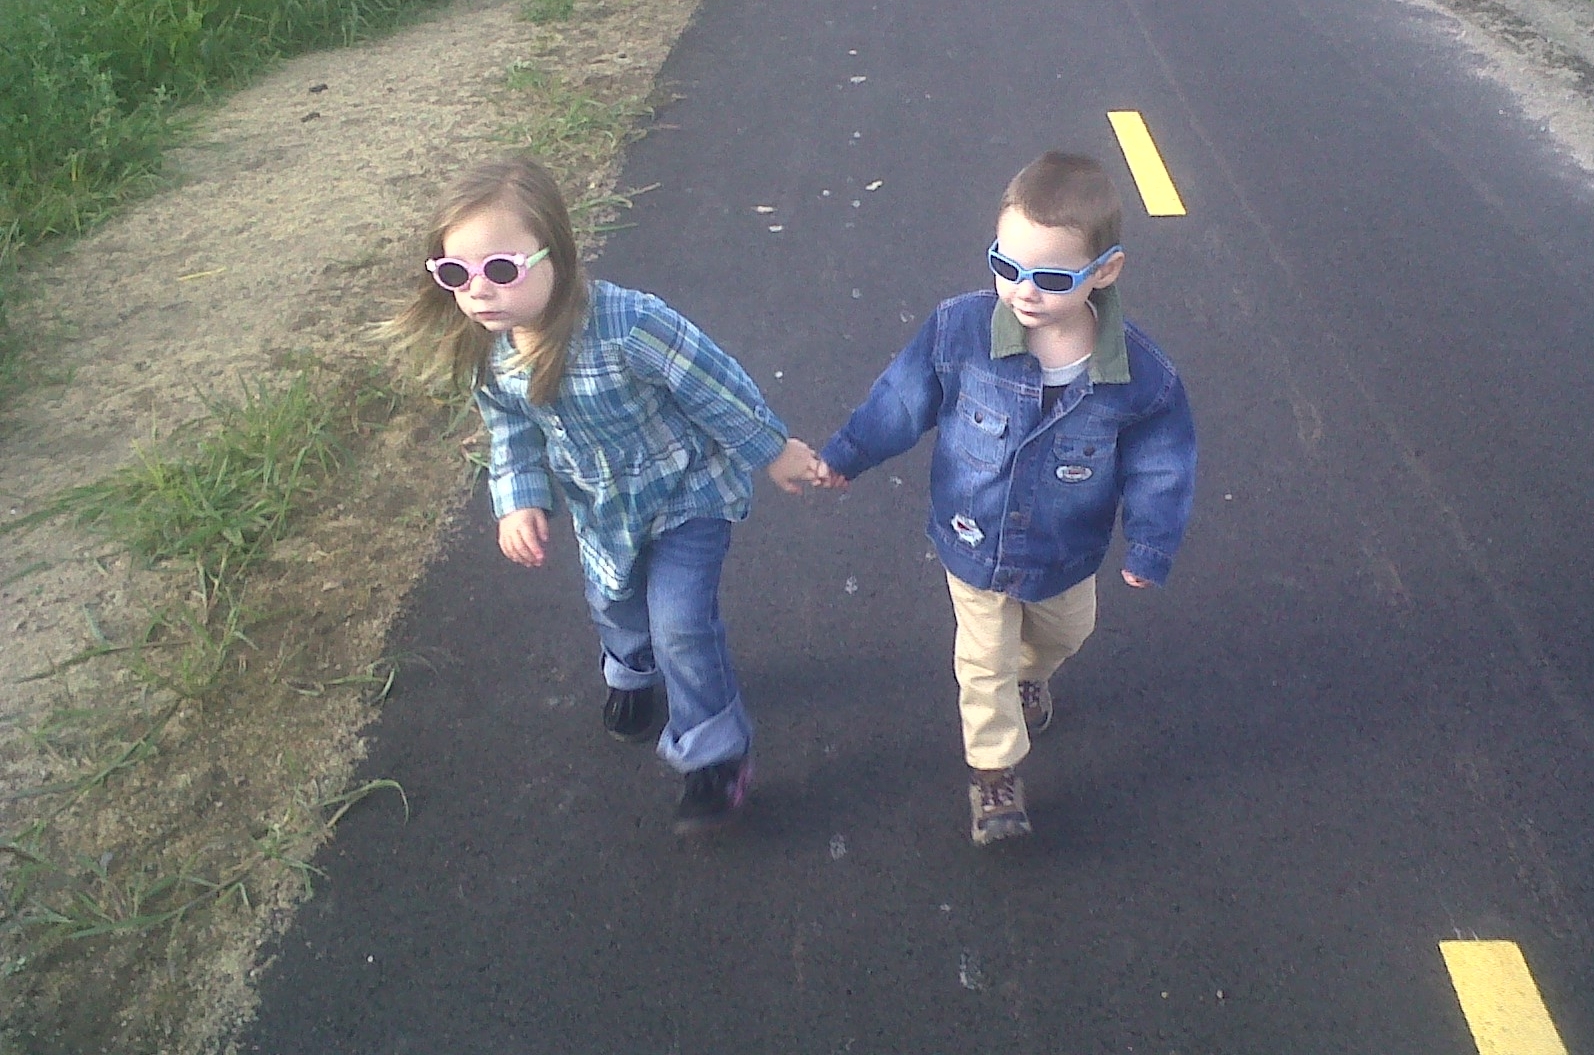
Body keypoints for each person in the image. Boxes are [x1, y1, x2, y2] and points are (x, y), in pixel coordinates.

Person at [382, 156, 817, 834]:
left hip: (687, 494)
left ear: (557, 254)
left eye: (500, 269)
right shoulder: (490, 352)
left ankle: (715, 757)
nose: (479, 291)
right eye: (456, 274)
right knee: (614, 603)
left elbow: (714, 385)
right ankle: (631, 672)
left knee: (681, 623)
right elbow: (512, 434)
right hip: (604, 512)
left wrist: (773, 449)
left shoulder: (630, 325)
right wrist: (518, 500)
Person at [813, 152, 1196, 845]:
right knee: (983, 660)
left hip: (1066, 550)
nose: (1022, 290)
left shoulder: (1142, 378)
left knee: (1065, 633)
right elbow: (900, 401)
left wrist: (1150, 543)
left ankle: (1033, 674)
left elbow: (1161, 465)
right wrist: (847, 454)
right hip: (975, 540)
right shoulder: (959, 332)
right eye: (1006, 264)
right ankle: (994, 774)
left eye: (1051, 278)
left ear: (1105, 270)